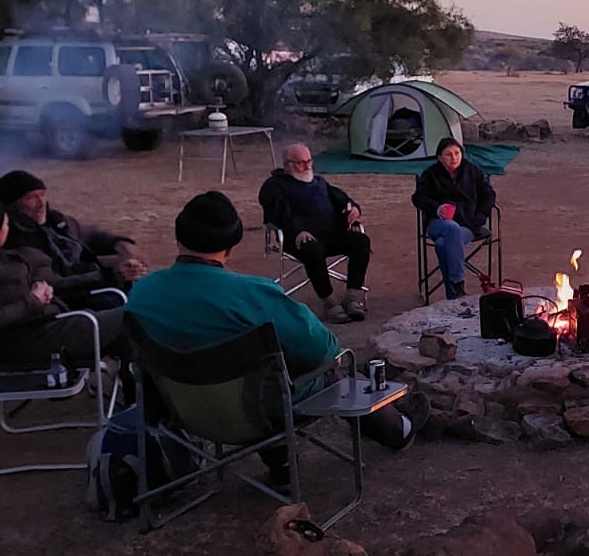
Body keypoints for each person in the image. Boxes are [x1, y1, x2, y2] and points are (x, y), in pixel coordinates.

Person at [126, 191, 428, 488]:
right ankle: (399, 429)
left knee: (257, 370)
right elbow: (323, 349)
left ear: (179, 238)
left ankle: (282, 465)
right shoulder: (252, 294)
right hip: (258, 413)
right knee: (327, 371)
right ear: (230, 246)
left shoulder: (141, 293)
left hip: (184, 412)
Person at [0, 198, 129, 367]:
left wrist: (110, 272)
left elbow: (57, 284)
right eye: (6, 225)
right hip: (25, 342)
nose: (9, 229)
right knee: (135, 316)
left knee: (131, 333)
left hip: (45, 327)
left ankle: (137, 390)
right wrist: (34, 300)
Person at [0, 169, 147, 309]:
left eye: (42, 194)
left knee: (142, 282)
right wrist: (109, 275)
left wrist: (120, 243)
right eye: (31, 198)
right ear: (12, 205)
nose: (41, 203)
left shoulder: (55, 221)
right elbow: (52, 285)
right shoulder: (17, 240)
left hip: (91, 281)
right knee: (134, 305)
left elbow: (90, 235)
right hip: (68, 301)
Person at [258, 143, 371, 322]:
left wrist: (354, 208)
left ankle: (353, 298)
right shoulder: (275, 186)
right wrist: (297, 231)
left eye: (309, 161)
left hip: (329, 235)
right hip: (296, 239)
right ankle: (330, 302)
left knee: (361, 241)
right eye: (300, 163)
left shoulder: (319, 182)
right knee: (312, 248)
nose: (307, 166)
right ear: (287, 164)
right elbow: (279, 213)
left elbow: (342, 199)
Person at [411, 137, 497, 299]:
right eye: (448, 154)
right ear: (439, 157)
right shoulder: (431, 174)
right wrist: (436, 208)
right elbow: (418, 198)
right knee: (451, 227)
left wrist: (480, 217)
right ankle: (458, 282)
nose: (454, 158)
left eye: (457, 153)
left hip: (467, 225)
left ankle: (453, 294)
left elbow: (489, 195)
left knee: (442, 244)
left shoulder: (472, 171)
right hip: (437, 223)